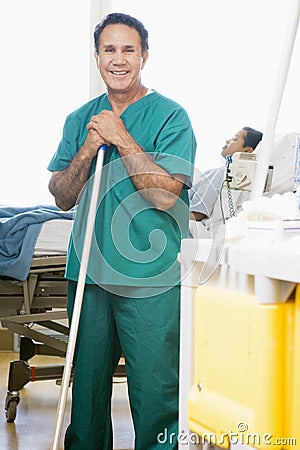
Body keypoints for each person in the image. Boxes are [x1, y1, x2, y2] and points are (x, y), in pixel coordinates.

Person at [48, 12, 196, 450]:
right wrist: (90, 146)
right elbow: (61, 195)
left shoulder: (172, 117)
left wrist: (122, 137)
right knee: (88, 395)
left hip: (149, 280)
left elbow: (166, 196)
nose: (118, 59)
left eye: (128, 50)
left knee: (155, 392)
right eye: (109, 50)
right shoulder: (80, 119)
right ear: (97, 57)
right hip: (90, 274)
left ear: (144, 56)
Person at [189, 127, 262, 237]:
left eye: (234, 139)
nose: (228, 141)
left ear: (247, 151)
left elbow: (197, 214)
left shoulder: (223, 172)